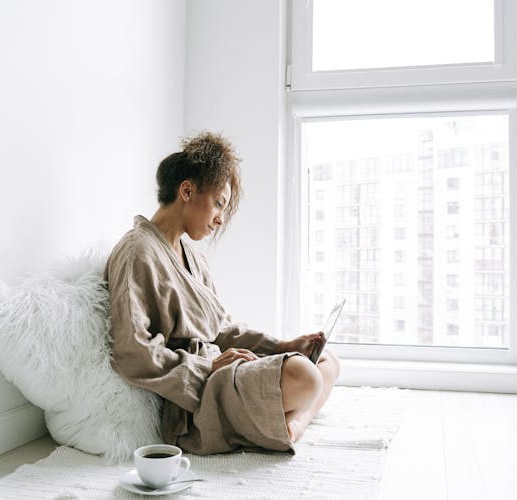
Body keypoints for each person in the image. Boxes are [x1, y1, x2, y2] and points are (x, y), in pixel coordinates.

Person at [104, 131, 340, 455]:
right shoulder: (137, 251)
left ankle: (291, 424)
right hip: (198, 394)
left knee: (327, 361)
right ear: (186, 190)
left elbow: (222, 329)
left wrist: (281, 345)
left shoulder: (194, 258)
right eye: (218, 204)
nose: (220, 219)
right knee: (307, 376)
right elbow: (133, 352)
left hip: (223, 371)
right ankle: (292, 420)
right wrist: (208, 368)